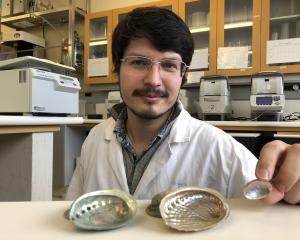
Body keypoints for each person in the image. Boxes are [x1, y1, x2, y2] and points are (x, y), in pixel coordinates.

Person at [66, 7, 300, 204]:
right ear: (116, 68)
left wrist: (291, 186)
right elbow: (74, 210)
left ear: (183, 74)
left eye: (168, 65)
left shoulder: (217, 147)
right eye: (139, 62)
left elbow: (273, 202)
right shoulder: (95, 139)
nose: (153, 80)